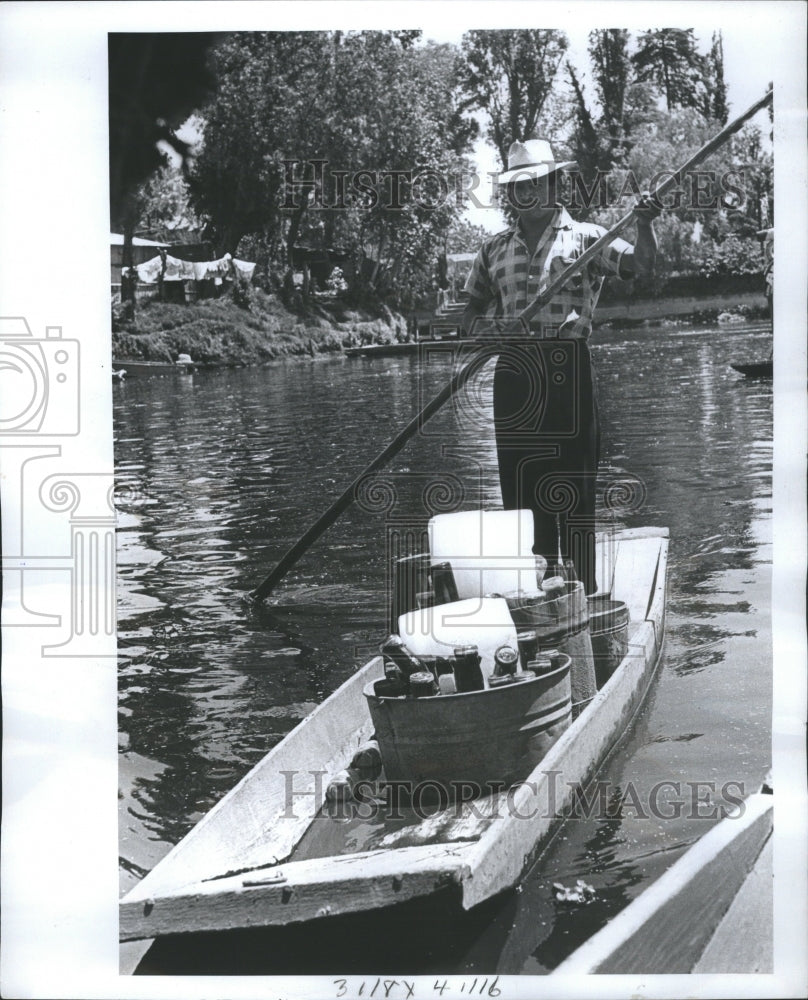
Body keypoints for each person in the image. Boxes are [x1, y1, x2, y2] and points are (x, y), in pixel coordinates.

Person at [461, 139, 659, 595]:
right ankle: (536, 591)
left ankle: (583, 588)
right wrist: (491, 330)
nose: (526, 193)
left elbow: (640, 266)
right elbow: (469, 316)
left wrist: (644, 223)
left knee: (575, 482)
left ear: (554, 184)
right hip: (514, 371)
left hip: (565, 367)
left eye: (536, 183)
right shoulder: (492, 249)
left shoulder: (588, 238)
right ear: (510, 194)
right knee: (521, 484)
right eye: (517, 186)